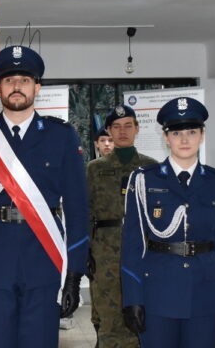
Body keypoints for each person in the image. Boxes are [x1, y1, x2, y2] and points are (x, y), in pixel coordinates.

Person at [0, 45, 89, 348]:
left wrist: (74, 275)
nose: (16, 87)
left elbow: (77, 209)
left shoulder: (61, 136)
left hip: (44, 255)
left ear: (37, 87)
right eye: (9, 80)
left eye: (24, 80)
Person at [120, 97, 215, 348]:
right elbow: (132, 244)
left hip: (205, 292)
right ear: (166, 137)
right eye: (176, 133)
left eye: (191, 132)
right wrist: (132, 298)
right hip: (158, 292)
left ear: (202, 135)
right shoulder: (144, 180)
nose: (184, 139)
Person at [87, 105, 157, 348]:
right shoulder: (94, 170)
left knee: (144, 314)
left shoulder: (153, 169)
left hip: (145, 251)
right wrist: (85, 251)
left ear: (137, 129)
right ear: (109, 131)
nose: (122, 131)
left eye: (128, 125)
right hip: (106, 254)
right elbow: (85, 212)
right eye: (116, 126)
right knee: (109, 316)